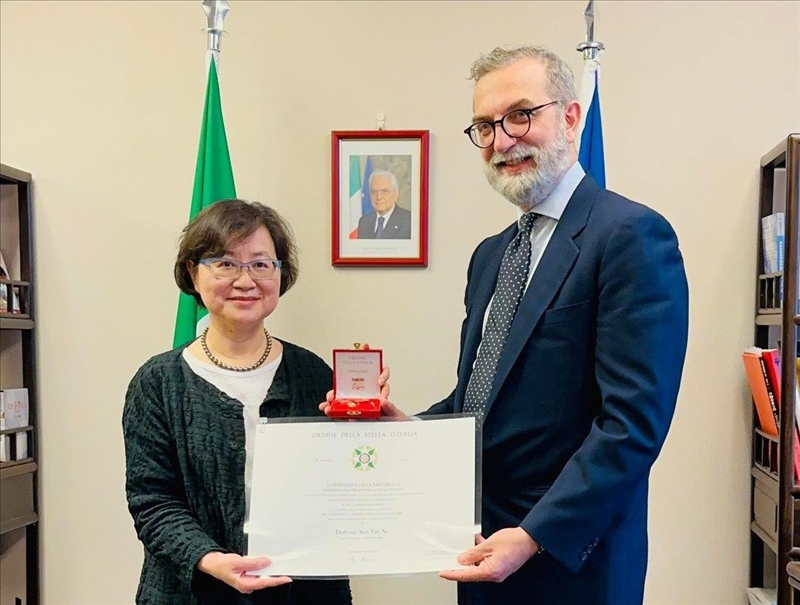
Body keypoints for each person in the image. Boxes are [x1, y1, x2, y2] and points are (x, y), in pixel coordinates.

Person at [332, 46, 689, 605]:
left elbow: (632, 424)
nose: (501, 141)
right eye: (485, 126)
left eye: (520, 115)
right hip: (480, 550)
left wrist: (533, 537)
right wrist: (405, 428)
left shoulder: (630, 236)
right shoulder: (491, 255)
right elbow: (481, 402)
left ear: (570, 117)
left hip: (571, 564)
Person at [123, 199, 387, 605]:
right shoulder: (158, 382)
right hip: (192, 593)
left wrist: (370, 433)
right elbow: (152, 502)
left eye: (262, 264)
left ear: (281, 274)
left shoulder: (314, 375)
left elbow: (344, 489)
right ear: (193, 273)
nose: (246, 280)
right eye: (225, 263)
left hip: (306, 594)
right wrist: (211, 559)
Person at [357, 169, 412, 239]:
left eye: (384, 191)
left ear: (395, 195)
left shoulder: (409, 220)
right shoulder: (364, 222)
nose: (378, 197)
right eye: (374, 191)